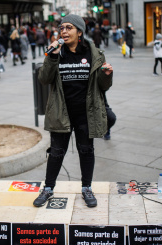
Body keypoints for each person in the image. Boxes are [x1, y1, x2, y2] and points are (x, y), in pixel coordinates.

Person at [33, 14, 113, 208]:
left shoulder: (95, 54)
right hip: (62, 112)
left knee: (86, 151)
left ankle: (86, 188)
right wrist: (51, 57)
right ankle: (48, 188)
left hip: (86, 113)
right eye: (62, 28)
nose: (64, 31)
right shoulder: (57, 53)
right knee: (56, 152)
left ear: (79, 32)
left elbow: (104, 86)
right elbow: (44, 79)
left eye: (69, 27)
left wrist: (107, 75)